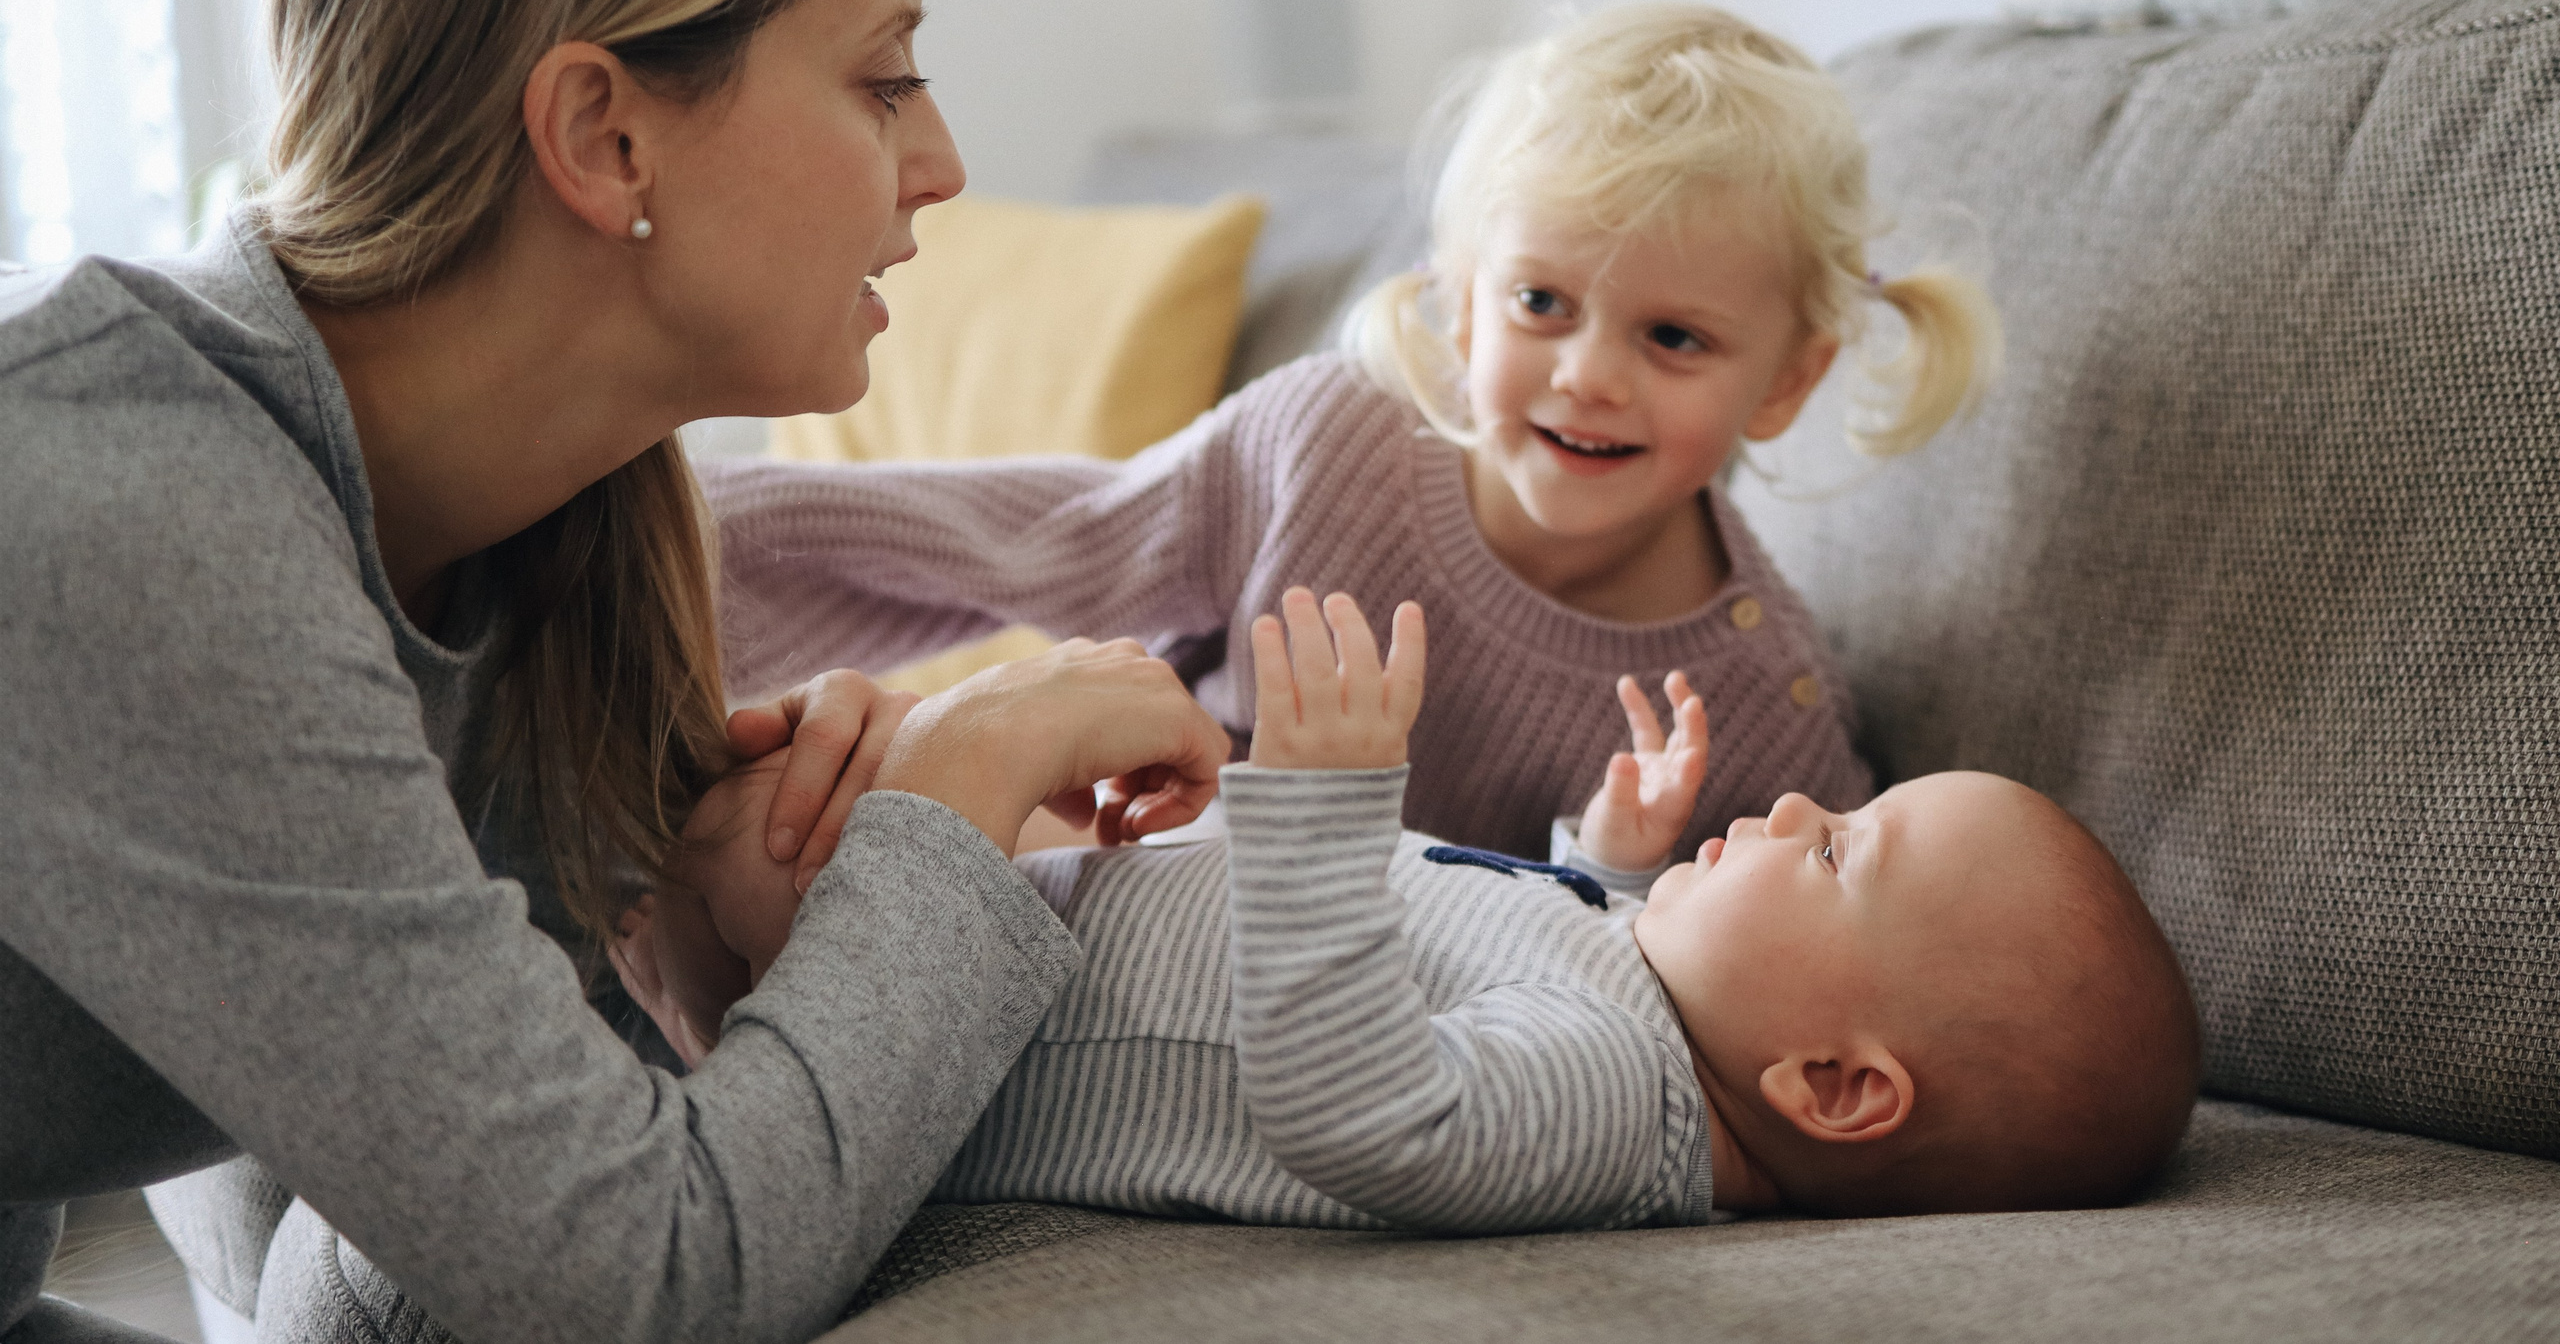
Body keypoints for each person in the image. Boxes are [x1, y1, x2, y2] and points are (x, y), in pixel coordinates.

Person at [0, 0, 1229, 1344]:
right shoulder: (139, 509)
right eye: (882, 80)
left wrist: (695, 931)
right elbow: (644, 1284)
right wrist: (954, 795)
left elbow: (297, 1230)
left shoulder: (512, 546)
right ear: (604, 133)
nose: (938, 162)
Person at [704, 1, 2003, 880]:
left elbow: (1759, 973)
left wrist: (1615, 862)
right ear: (1454, 298)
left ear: (1785, 381)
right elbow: (1018, 541)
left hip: (1350, 1051)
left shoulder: (1754, 703)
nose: (1589, 376)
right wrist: (661, 551)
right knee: (790, 806)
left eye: (1674, 338)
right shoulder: (1327, 443)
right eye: (1541, 303)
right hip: (1114, 893)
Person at [625, 588, 2202, 1230]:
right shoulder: (1659, 1013)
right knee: (828, 746)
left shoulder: (1612, 1104)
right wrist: (1622, 855)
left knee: (745, 814)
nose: (1794, 807)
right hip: (1032, 925)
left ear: (1837, 1088)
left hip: (948, 1044)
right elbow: (1549, 933)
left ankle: (647, 950)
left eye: (1844, 848)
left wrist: (1315, 802)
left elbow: (1364, 1101)